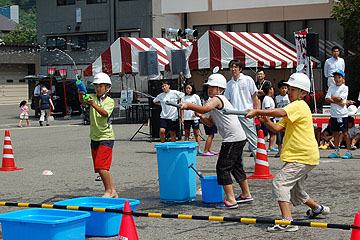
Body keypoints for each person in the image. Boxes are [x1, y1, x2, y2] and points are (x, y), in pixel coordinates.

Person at [246, 73, 330, 232]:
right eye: (289, 89)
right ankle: (318, 208)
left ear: (303, 93)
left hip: (302, 157)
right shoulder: (294, 108)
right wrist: (266, 121)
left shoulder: (298, 105)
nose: (289, 92)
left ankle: (287, 221)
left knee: (280, 183)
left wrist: (258, 112)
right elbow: (277, 128)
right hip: (302, 157)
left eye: (293, 89)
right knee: (295, 191)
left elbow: (280, 112)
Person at [180, 73, 253, 209]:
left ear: (220, 89)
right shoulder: (217, 101)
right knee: (236, 168)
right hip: (237, 138)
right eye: (208, 87)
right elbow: (210, 123)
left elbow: (204, 108)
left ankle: (231, 200)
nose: (209, 90)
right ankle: (246, 194)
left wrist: (188, 105)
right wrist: (201, 116)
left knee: (222, 168)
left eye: (213, 87)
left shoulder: (217, 99)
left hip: (232, 139)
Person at [78, 72, 118, 198]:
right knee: (99, 168)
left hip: (106, 137)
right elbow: (83, 102)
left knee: (102, 167)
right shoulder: (91, 97)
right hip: (94, 136)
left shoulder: (110, 101)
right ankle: (113, 191)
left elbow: (105, 113)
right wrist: (81, 95)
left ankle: (108, 191)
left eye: (101, 86)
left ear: (107, 87)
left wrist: (92, 104)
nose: (98, 88)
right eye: (96, 86)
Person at [224, 59, 259, 161]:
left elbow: (254, 96)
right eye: (231, 67)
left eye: (235, 67)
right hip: (234, 116)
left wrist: (257, 111)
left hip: (246, 114)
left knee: (253, 140)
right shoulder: (229, 84)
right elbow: (228, 101)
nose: (233, 69)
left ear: (240, 69)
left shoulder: (248, 80)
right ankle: (238, 167)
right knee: (237, 142)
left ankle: (261, 164)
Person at [325, 70, 352, 159]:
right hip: (334, 114)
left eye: (339, 77)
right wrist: (336, 101)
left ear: (343, 79)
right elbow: (327, 99)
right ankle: (336, 151)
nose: (337, 79)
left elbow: (340, 99)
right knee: (335, 133)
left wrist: (333, 98)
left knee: (345, 133)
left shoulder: (345, 88)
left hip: (342, 114)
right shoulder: (331, 88)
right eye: (335, 77)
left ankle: (349, 151)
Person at [181, 82, 202, 154]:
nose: (188, 90)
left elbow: (199, 107)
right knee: (187, 133)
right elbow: (182, 109)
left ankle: (198, 148)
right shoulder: (183, 98)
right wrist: (182, 118)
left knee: (196, 133)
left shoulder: (196, 97)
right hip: (187, 118)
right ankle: (186, 147)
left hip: (194, 118)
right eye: (186, 88)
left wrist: (196, 113)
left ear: (192, 88)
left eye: (189, 88)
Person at [274, 80, 290, 157]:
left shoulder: (289, 97)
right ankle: (279, 151)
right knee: (279, 138)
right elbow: (276, 107)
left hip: (287, 119)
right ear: (279, 89)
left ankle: (287, 151)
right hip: (279, 120)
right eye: (282, 88)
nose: (284, 90)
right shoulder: (277, 98)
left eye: (285, 88)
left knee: (288, 136)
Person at [261, 82, 277, 152]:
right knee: (265, 134)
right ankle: (263, 147)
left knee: (272, 134)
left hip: (271, 118)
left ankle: (270, 146)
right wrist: (267, 120)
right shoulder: (267, 98)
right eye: (272, 88)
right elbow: (267, 109)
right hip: (268, 118)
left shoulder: (270, 98)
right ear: (270, 90)